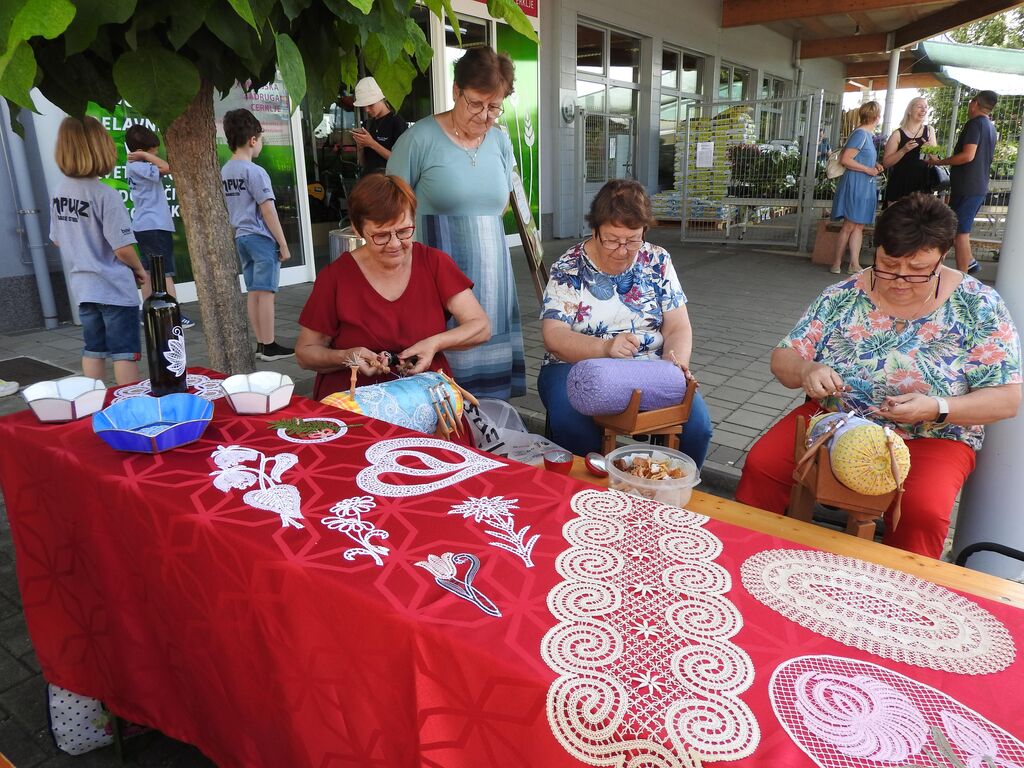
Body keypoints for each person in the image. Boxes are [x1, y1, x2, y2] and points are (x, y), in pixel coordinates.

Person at [736, 193, 1021, 559]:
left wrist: (935, 407)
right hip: (836, 422)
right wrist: (807, 370)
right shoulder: (845, 293)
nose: (900, 279)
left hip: (931, 435)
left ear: (943, 257)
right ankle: (747, 556)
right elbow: (784, 357)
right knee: (764, 465)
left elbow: (1006, 399)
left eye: (918, 269)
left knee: (923, 510)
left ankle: (903, 595)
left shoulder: (978, 304)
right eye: (887, 264)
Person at [538, 179, 713, 466]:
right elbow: (554, 336)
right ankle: (591, 496)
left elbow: (678, 326)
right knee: (572, 423)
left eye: (632, 240)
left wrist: (677, 364)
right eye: (611, 239)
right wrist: (604, 347)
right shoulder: (570, 266)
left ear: (644, 230)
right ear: (594, 229)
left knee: (697, 428)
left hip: (648, 365)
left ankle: (668, 495)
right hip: (576, 365)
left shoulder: (657, 259)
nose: (622, 250)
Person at [387, 45, 524, 400]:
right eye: (476, 103)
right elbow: (392, 209)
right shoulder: (418, 140)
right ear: (455, 92)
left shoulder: (500, 141)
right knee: (442, 375)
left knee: (489, 376)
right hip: (436, 271)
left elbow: (505, 200)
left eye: (494, 106)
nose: (484, 116)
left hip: (492, 273)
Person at [295, 174, 490, 401]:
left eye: (404, 231)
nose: (395, 244)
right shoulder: (336, 277)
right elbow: (305, 353)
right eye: (381, 235)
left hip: (426, 398)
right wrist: (347, 356)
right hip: (355, 403)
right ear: (358, 230)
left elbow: (480, 327)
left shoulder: (434, 262)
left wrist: (434, 343)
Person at [49, 117, 148, 385]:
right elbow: (122, 248)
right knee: (124, 354)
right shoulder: (106, 195)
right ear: (101, 148)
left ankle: (92, 403)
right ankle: (127, 406)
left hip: (84, 288)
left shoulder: (60, 192)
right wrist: (140, 270)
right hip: (115, 289)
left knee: (93, 350)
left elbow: (57, 239)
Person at [220, 108, 294, 362]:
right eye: (260, 139)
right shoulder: (255, 172)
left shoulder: (226, 171)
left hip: (241, 237)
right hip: (261, 237)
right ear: (253, 140)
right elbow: (268, 210)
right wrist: (282, 243)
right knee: (267, 293)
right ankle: (270, 344)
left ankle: (261, 344)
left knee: (253, 290)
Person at [124, 124, 194, 329]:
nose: (156, 152)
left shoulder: (134, 167)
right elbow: (167, 167)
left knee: (147, 271)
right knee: (165, 272)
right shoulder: (140, 165)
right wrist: (145, 157)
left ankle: (147, 312)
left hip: (144, 225)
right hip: (155, 225)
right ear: (142, 150)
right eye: (153, 149)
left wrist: (145, 156)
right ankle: (175, 314)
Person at [926, 90, 998, 274]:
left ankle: (962, 277)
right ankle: (968, 263)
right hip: (976, 185)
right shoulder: (990, 126)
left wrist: (938, 162)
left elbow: (968, 156)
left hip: (968, 186)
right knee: (956, 229)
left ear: (974, 103)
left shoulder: (975, 124)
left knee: (960, 232)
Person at [830, 101, 884, 275]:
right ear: (877, 117)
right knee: (850, 224)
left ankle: (852, 262)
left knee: (857, 225)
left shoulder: (864, 134)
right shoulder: (861, 134)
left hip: (862, 183)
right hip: (857, 183)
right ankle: (838, 262)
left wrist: (873, 164)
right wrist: (868, 169)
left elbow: (856, 157)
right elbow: (845, 159)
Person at [882, 96, 939, 208]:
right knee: (897, 221)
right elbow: (886, 163)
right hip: (900, 183)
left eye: (926, 107)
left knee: (920, 222)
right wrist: (903, 150)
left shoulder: (929, 131)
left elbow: (936, 160)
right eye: (920, 107)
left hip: (922, 184)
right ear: (909, 111)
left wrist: (930, 150)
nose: (924, 110)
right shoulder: (897, 134)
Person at [351, 76, 407, 177]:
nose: (367, 110)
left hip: (389, 183)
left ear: (381, 99)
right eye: (364, 106)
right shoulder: (368, 124)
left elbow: (401, 161)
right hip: (369, 182)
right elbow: (363, 163)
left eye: (370, 105)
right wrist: (360, 146)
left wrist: (371, 143)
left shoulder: (397, 122)